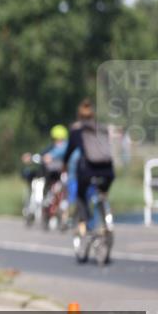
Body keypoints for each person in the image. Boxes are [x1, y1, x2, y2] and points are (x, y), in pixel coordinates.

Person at [63, 99, 115, 250]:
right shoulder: (102, 128)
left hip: (89, 169)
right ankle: (105, 215)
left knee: (80, 196)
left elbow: (69, 152)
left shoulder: (76, 130)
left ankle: (89, 223)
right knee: (102, 193)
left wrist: (64, 166)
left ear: (79, 115)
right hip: (108, 170)